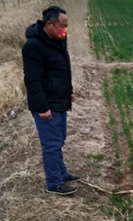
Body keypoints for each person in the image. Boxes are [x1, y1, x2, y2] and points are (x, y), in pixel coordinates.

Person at [22, 6, 80, 195]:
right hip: (47, 106)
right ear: (49, 24)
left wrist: (68, 91)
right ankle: (54, 183)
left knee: (59, 139)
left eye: (66, 26)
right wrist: (42, 107)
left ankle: (61, 173)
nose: (65, 30)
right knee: (51, 144)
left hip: (60, 100)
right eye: (62, 26)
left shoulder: (58, 40)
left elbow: (64, 69)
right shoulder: (33, 46)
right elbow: (32, 80)